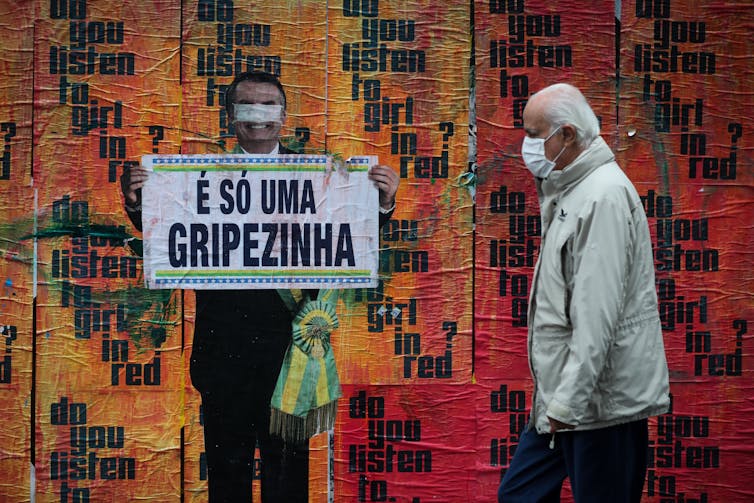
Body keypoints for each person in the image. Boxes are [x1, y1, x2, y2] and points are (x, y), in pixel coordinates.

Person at [121, 71, 400, 502]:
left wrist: (382, 204)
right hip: (222, 352)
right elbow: (169, 238)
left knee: (287, 473)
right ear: (230, 117)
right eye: (247, 106)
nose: (258, 115)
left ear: (284, 116)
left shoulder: (322, 177)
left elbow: (351, 236)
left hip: (289, 353)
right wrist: (139, 202)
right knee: (226, 472)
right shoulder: (198, 177)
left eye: (268, 105)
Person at [497, 83, 670, 503]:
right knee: (520, 495)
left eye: (535, 134)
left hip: (600, 405)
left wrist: (565, 407)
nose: (528, 145)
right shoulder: (572, 191)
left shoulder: (603, 196)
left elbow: (598, 317)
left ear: (568, 135)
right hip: (568, 400)